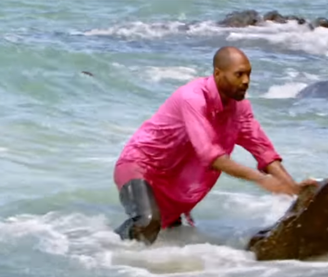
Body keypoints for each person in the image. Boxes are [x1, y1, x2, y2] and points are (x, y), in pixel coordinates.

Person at [112, 46, 316, 244]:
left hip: (174, 183)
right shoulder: (193, 98)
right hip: (140, 166)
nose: (246, 81)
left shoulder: (240, 107)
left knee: (169, 242)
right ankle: (104, 248)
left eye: (248, 74)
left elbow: (264, 151)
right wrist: (261, 179)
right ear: (218, 73)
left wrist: (293, 188)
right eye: (239, 74)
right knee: (146, 223)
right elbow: (209, 154)